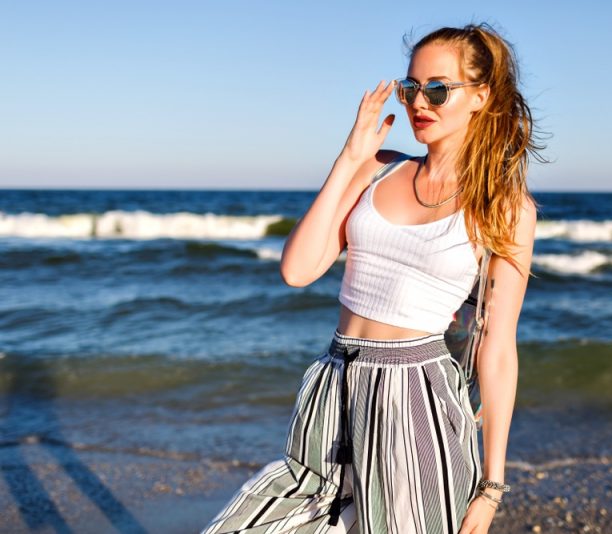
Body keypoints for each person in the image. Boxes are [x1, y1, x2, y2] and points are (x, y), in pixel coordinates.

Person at [201, 22, 542, 534]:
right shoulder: (378, 169)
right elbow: (297, 269)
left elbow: (497, 346)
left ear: (480, 97)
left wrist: (492, 487)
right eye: (410, 88)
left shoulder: (505, 207)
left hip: (418, 396)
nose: (418, 103)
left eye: (437, 89)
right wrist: (350, 158)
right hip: (335, 379)